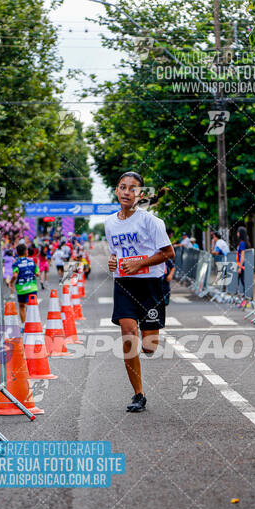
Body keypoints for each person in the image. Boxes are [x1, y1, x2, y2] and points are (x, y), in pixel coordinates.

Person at [105, 171, 175, 413]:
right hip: (124, 284)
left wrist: (140, 263)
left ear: (140, 194)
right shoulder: (109, 223)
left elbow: (168, 253)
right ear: (116, 190)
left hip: (150, 285)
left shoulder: (151, 222)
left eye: (132, 188)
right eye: (122, 187)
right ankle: (138, 394)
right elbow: (115, 253)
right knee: (127, 333)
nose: (127, 192)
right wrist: (112, 263)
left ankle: (148, 344)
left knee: (149, 346)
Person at [10, 243, 39, 326]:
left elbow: (15, 275)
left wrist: (11, 283)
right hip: (32, 287)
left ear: (17, 253)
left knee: (22, 306)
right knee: (32, 306)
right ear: (26, 252)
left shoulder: (16, 263)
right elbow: (37, 274)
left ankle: (24, 325)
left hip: (21, 288)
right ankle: (33, 325)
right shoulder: (32, 262)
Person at [236, 226, 250, 294]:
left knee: (242, 281)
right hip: (241, 265)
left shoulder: (242, 243)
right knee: (241, 281)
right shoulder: (242, 243)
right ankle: (244, 297)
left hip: (242, 265)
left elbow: (242, 255)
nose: (237, 234)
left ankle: (246, 298)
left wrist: (240, 267)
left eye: (238, 232)